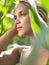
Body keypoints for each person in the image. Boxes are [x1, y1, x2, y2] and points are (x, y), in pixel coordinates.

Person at [0, 0, 49, 65]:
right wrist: (12, 30)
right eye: (15, 17)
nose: (16, 22)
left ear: (39, 16)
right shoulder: (21, 52)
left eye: (22, 14)